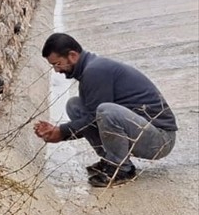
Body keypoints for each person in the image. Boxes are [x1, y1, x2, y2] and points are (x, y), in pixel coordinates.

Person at [34, 33, 177, 187]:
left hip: (160, 140)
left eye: (58, 64)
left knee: (105, 110)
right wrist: (60, 133)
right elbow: (92, 119)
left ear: (72, 55)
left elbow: (96, 118)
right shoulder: (91, 69)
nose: (56, 70)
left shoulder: (95, 71)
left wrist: (61, 131)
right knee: (75, 105)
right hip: (142, 131)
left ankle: (121, 169)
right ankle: (111, 160)